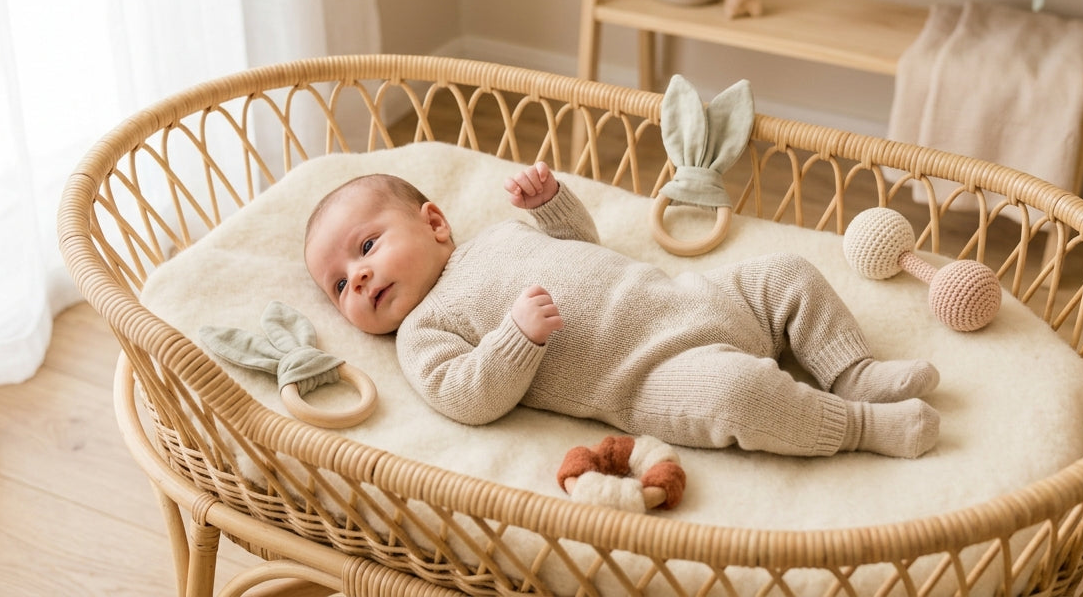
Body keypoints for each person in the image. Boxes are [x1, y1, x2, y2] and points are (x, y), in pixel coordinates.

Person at [303, 161, 940, 459]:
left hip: (694, 297)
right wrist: (515, 339)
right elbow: (465, 395)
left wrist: (553, 204)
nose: (357, 278)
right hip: (651, 375)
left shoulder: (498, 234)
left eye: (366, 247)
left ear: (435, 223)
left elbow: (580, 246)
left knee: (787, 272)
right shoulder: (422, 331)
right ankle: (859, 425)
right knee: (742, 393)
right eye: (338, 287)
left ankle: (852, 371)